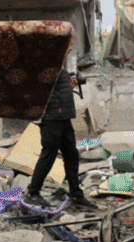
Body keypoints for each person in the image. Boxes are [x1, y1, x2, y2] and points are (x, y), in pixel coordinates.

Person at [23, 44, 98, 210]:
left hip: (63, 117)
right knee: (49, 153)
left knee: (71, 154)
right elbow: (43, 88)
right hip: (52, 117)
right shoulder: (48, 64)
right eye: (69, 43)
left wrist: (67, 85)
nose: (71, 46)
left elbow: (55, 88)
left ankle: (76, 195)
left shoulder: (59, 64)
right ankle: (33, 193)